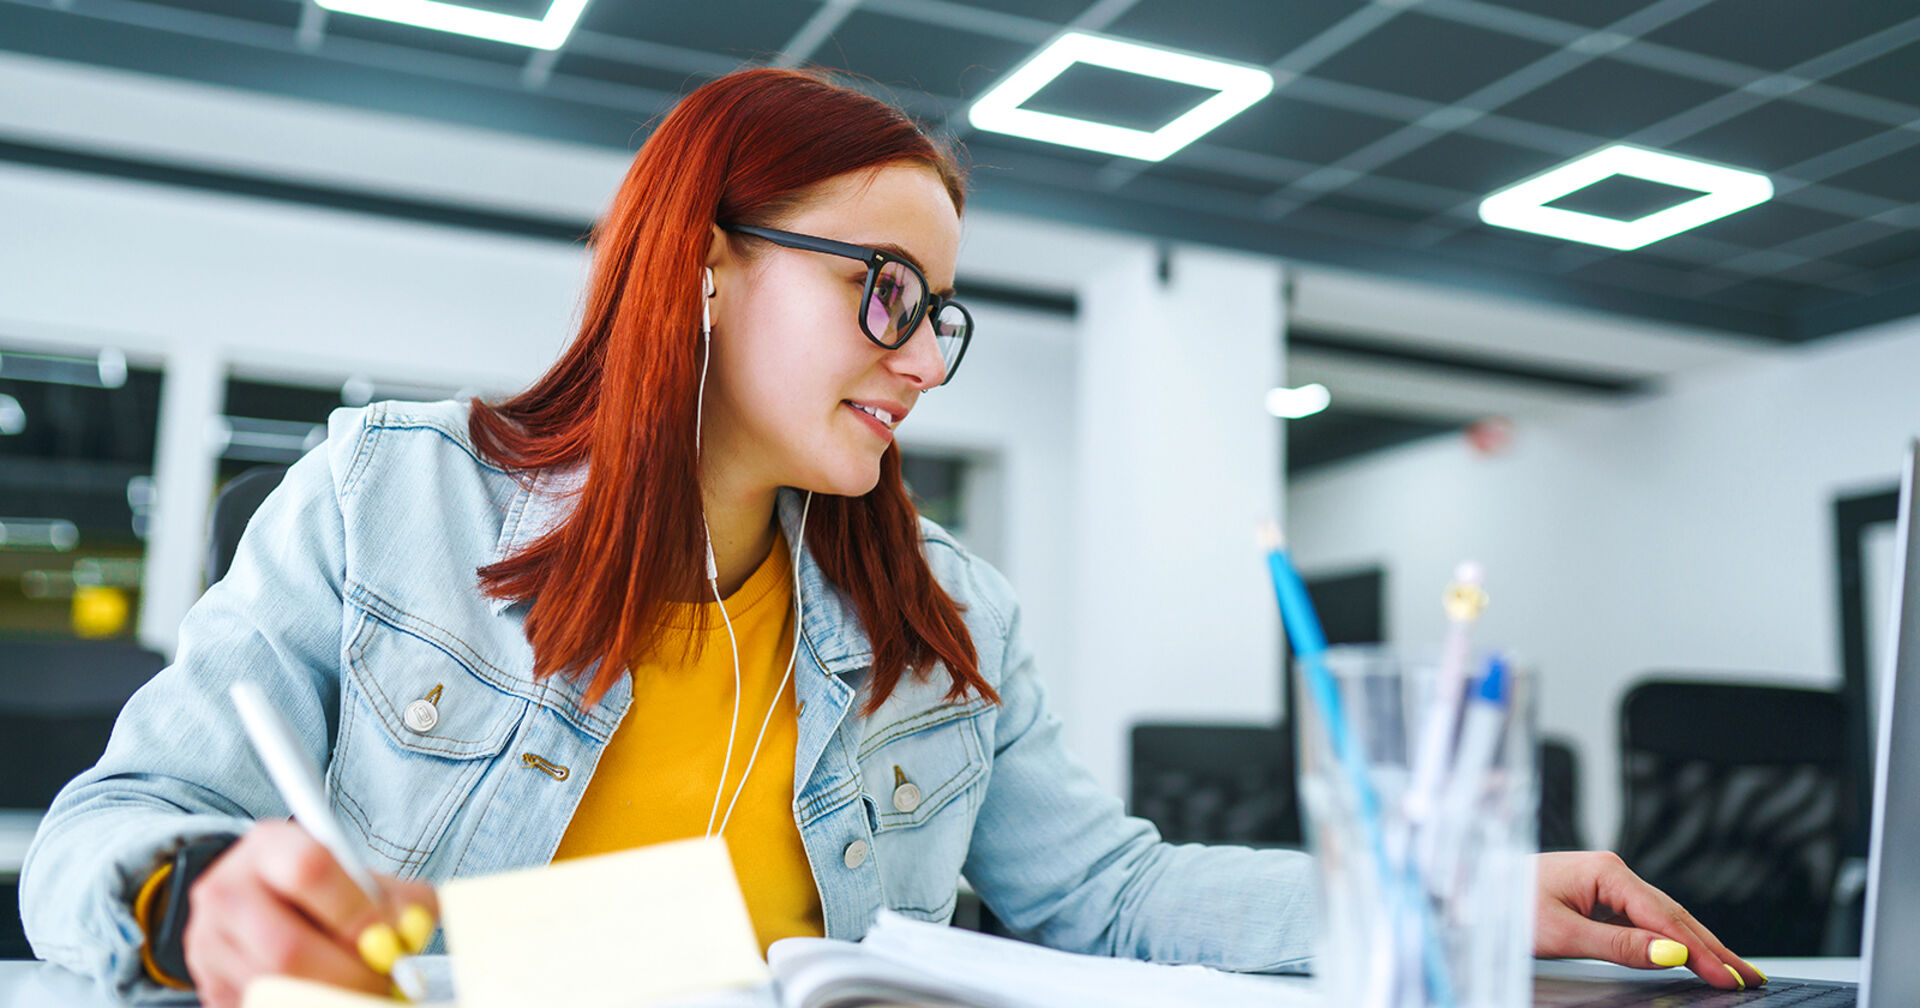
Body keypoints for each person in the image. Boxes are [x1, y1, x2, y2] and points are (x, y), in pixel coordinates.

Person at [20, 67, 1764, 1008]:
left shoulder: (952, 619)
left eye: (946, 317)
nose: (924, 355)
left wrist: (1446, 895)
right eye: (887, 294)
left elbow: (1117, 897)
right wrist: (193, 903)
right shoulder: (384, 505)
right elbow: (106, 835)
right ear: (704, 264)